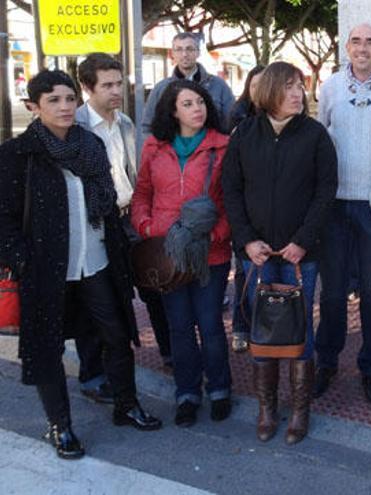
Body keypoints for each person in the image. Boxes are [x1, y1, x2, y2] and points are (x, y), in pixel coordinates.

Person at [0, 70, 162, 460]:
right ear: (33, 107)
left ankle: (126, 404)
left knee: (117, 333)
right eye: (53, 100)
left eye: (70, 98)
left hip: (97, 260)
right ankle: (61, 425)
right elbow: (3, 217)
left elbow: (105, 197)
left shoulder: (89, 144)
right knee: (47, 348)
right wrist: (23, 260)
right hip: (47, 270)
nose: (65, 106)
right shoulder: (17, 154)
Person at [223, 62, 338, 444]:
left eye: (299, 87)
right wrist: (246, 240)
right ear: (268, 91)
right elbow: (232, 191)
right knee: (262, 330)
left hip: (299, 255)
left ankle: (300, 412)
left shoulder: (315, 134)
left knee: (298, 330)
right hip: (256, 254)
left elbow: (326, 191)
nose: (297, 94)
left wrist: (303, 240)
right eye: (288, 87)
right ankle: (267, 409)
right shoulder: (244, 134)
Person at [72, 54, 175, 408]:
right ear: (88, 88)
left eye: (120, 83)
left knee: (156, 287)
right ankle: (93, 374)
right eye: (108, 86)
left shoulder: (127, 123)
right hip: (96, 225)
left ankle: (171, 355)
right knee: (99, 301)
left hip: (131, 218)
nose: (117, 91)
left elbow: (135, 174)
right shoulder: (77, 128)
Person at [314, 23, 371, 405]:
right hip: (335, 204)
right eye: (356, 41)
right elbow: (321, 138)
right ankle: (327, 361)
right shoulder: (330, 87)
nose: (363, 47)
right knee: (333, 292)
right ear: (346, 46)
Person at [131, 80, 233, 428]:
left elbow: (234, 201)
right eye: (188, 104)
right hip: (168, 254)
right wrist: (146, 227)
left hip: (211, 253)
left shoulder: (223, 146)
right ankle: (187, 393)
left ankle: (219, 389)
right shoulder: (154, 148)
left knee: (210, 324)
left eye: (200, 102)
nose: (197, 109)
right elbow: (142, 193)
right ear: (172, 111)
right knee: (179, 326)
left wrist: (218, 234)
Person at [224, 64, 265, 355]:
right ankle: (241, 326)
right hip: (246, 212)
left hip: (273, 213)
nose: (260, 91)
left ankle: (271, 328)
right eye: (255, 85)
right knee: (244, 272)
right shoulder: (238, 120)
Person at [142, 32, 235, 135]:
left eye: (189, 49)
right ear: (172, 53)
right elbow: (147, 127)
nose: (184, 54)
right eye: (179, 49)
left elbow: (231, 125)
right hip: (170, 150)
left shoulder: (219, 86)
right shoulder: (160, 89)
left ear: (198, 52)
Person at [227, 64, 265, 132]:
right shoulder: (239, 112)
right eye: (254, 86)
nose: (257, 90)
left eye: (262, 85)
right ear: (248, 88)